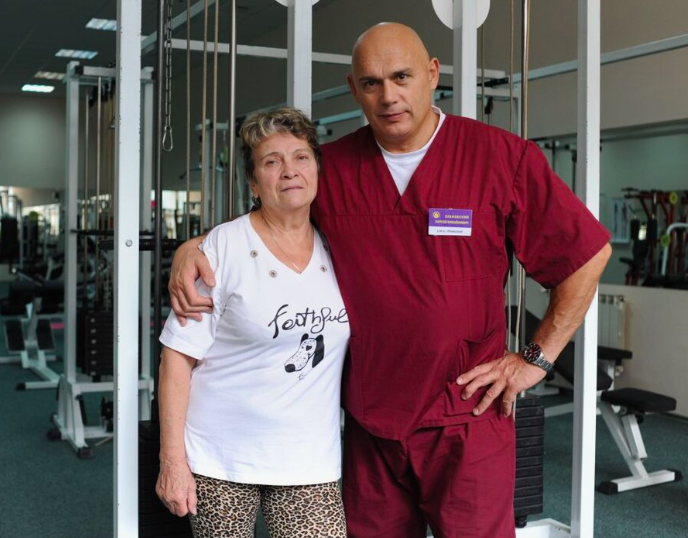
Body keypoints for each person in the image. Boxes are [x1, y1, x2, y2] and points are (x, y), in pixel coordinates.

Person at [169, 23, 612, 538]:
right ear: (354, 89)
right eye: (372, 83)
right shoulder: (333, 167)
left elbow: (587, 255)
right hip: (372, 423)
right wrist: (194, 246)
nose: (388, 96)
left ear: (432, 74)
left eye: (401, 77)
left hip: (467, 416)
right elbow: (271, 219)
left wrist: (536, 358)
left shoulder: (501, 158)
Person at [156, 108, 349, 538]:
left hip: (309, 459)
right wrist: (172, 461)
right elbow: (176, 359)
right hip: (221, 457)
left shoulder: (339, 245)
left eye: (301, 157)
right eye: (271, 161)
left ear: (317, 170)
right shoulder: (222, 248)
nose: (289, 171)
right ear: (254, 184)